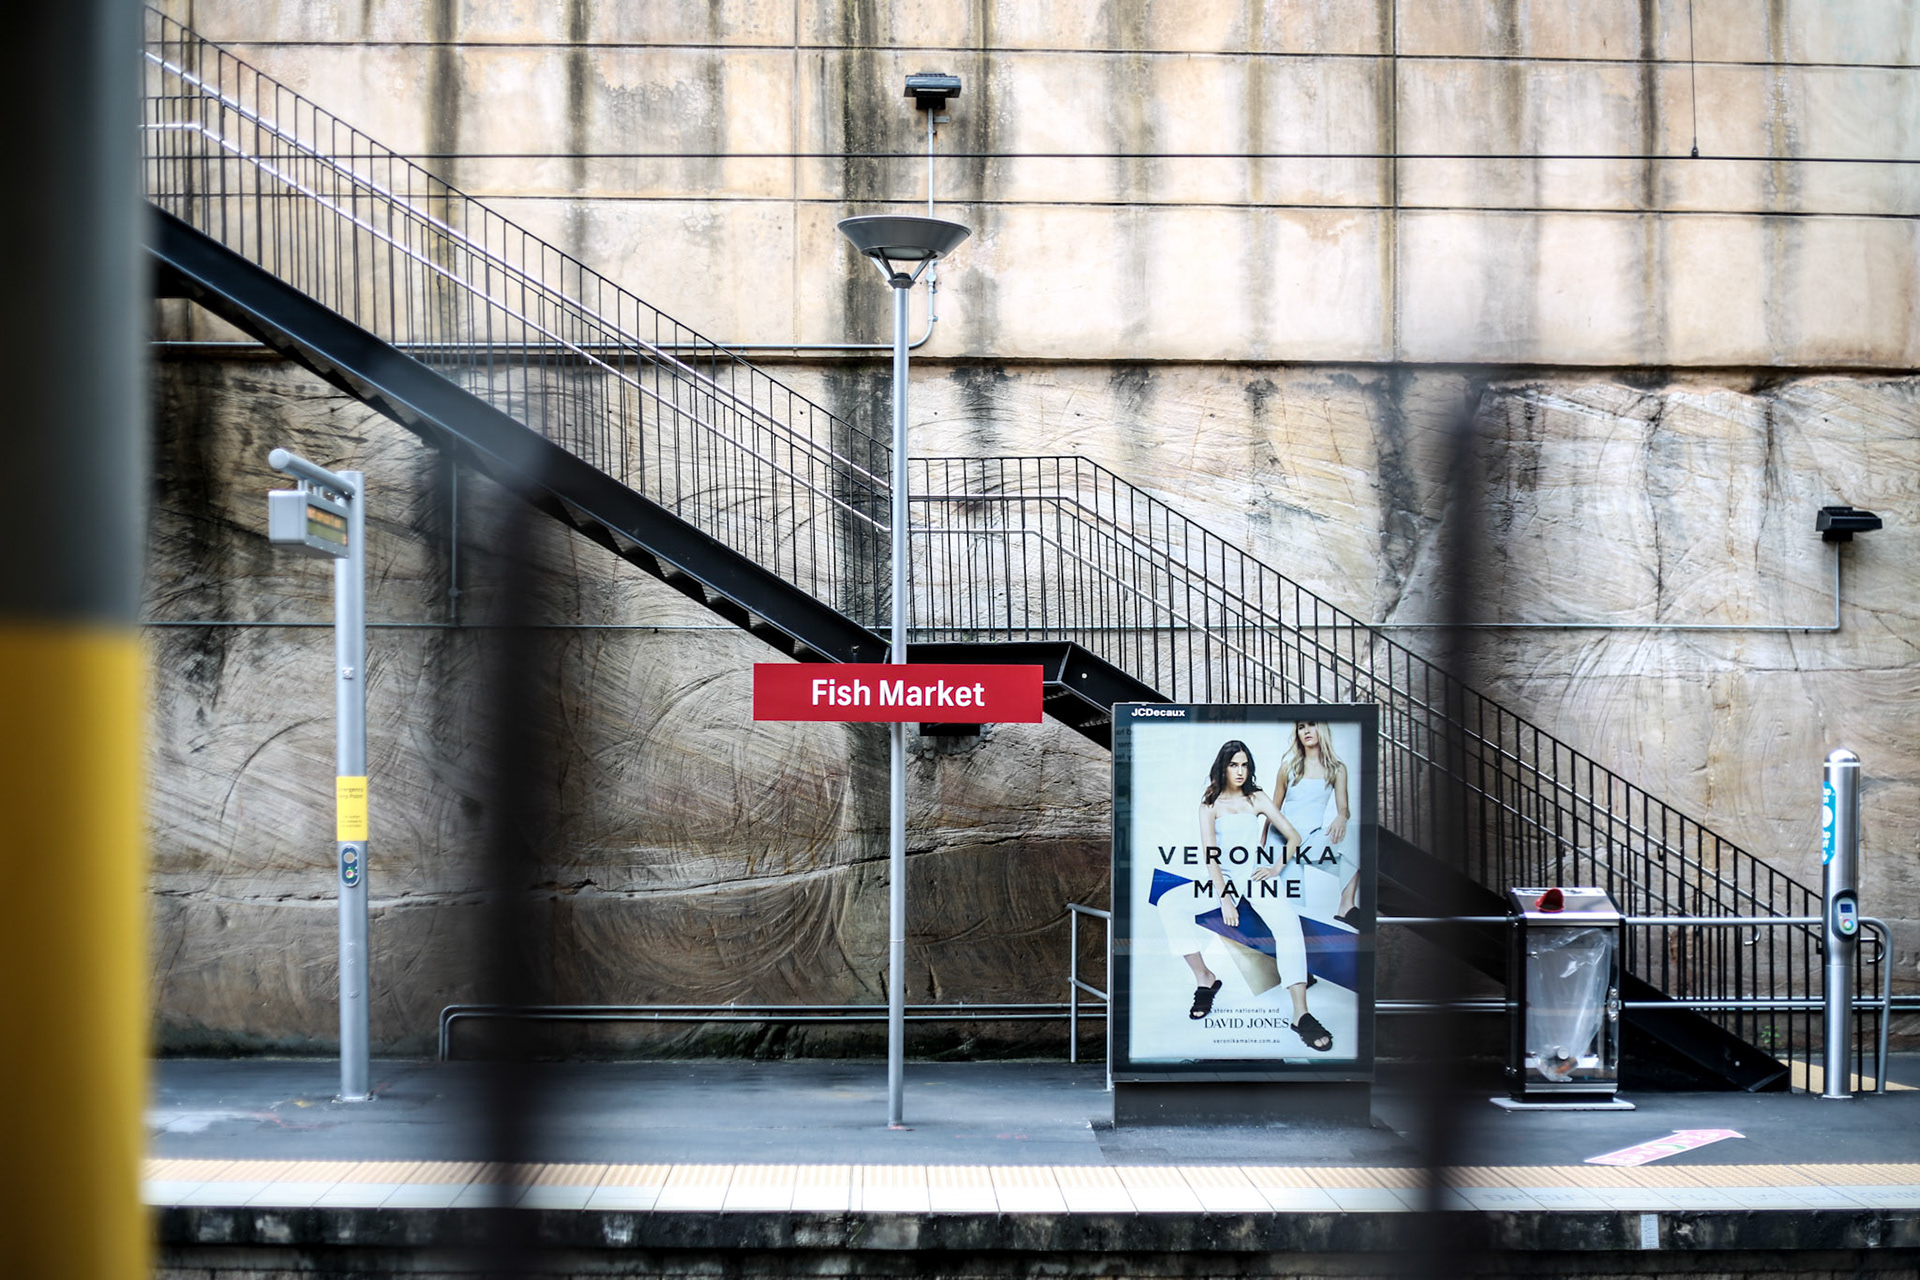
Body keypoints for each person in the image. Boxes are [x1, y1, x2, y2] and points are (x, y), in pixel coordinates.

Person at [1170, 739, 1331, 1052]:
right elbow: (1210, 855)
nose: (1240, 771)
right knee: (1169, 904)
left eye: (1244, 764)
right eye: (1234, 765)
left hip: (1254, 877)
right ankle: (1204, 977)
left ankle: (1301, 1014)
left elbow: (1293, 836)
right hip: (1223, 879)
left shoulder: (1257, 798)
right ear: (1223, 767)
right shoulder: (1209, 804)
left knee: (1288, 926)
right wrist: (1225, 898)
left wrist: (1274, 867)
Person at [1274, 720, 1358, 927]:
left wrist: (1341, 816)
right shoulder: (1288, 767)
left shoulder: (1337, 769)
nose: (1306, 731)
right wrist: (1262, 841)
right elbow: (1272, 809)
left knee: (1356, 835)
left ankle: (1346, 906)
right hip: (1284, 841)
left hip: (1312, 841)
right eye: (1301, 727)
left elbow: (1344, 808)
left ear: (1322, 729)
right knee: (1293, 913)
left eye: (1311, 725)